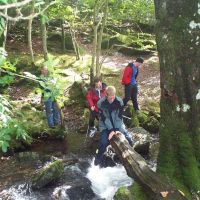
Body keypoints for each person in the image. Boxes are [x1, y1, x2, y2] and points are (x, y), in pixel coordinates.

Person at [94, 86, 133, 167]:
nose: (112, 99)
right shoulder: (100, 103)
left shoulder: (120, 102)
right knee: (103, 142)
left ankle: (128, 160)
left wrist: (116, 130)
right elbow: (105, 118)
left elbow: (119, 117)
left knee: (129, 139)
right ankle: (97, 160)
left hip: (118, 125)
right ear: (106, 95)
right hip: (105, 125)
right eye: (110, 98)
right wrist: (111, 130)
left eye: (113, 97)